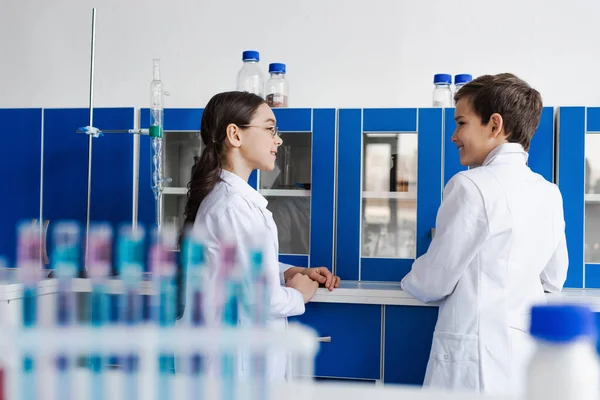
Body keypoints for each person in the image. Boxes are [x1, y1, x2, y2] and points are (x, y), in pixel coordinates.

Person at [400, 73, 568, 395]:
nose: (454, 136)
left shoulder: (471, 185)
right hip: (523, 354)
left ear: (494, 125)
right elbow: (554, 278)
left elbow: (433, 282)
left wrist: (409, 278)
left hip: (473, 356)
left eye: (461, 123)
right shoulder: (549, 192)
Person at [178, 91, 341, 380]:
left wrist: (291, 271)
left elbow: (238, 264)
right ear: (235, 135)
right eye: (269, 129)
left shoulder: (233, 201)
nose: (278, 139)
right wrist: (299, 294)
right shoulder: (232, 207)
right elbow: (263, 299)